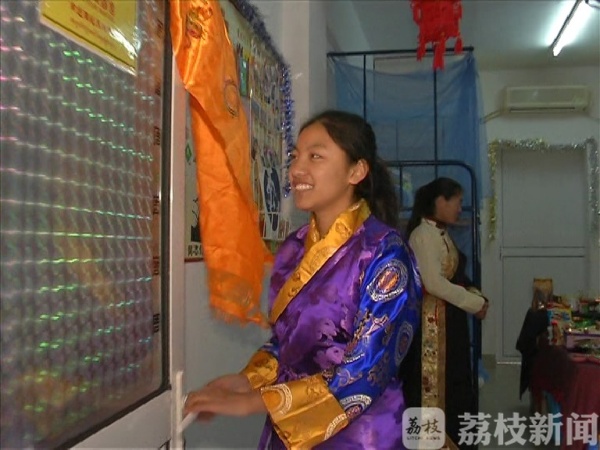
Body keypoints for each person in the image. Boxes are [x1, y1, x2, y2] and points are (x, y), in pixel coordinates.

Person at [184, 110, 422, 449]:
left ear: (356, 171)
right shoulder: (294, 248)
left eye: (315, 156)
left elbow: (366, 370)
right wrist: (247, 380)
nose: (296, 169)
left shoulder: (385, 254)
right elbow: (288, 342)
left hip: (359, 435)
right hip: (288, 428)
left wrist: (255, 402)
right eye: (295, 156)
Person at [401, 177, 489, 450]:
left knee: (454, 386)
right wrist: (474, 303)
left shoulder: (440, 234)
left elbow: (454, 277)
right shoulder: (422, 235)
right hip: (430, 327)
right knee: (431, 389)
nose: (460, 208)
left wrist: (474, 294)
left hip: (448, 324)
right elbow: (434, 283)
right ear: (441, 201)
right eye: (458, 202)